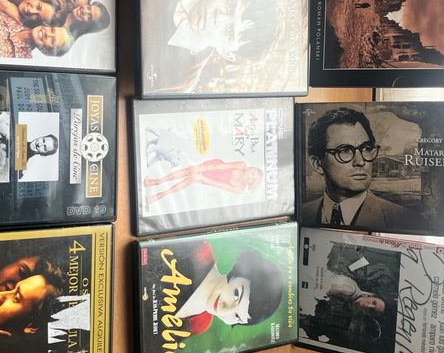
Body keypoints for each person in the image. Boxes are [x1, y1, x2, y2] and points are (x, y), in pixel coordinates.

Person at [303, 107, 427, 231]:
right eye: (345, 151)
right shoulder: (303, 214)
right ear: (317, 164)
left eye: (366, 149)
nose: (361, 162)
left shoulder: (407, 220)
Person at [156, 239, 284, 335]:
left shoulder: (201, 323)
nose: (224, 310)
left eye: (237, 317)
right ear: (238, 271)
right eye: (236, 295)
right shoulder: (199, 251)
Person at [144, 159, 263, 205]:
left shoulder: (239, 188)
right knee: (190, 171)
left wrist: (205, 179)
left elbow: (219, 185)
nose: (251, 177)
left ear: (251, 184)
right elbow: (219, 167)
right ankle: (158, 181)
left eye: (253, 180)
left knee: (192, 178)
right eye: (253, 173)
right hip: (213, 167)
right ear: (251, 169)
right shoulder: (242, 165)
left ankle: (161, 195)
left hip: (212, 180)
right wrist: (200, 169)